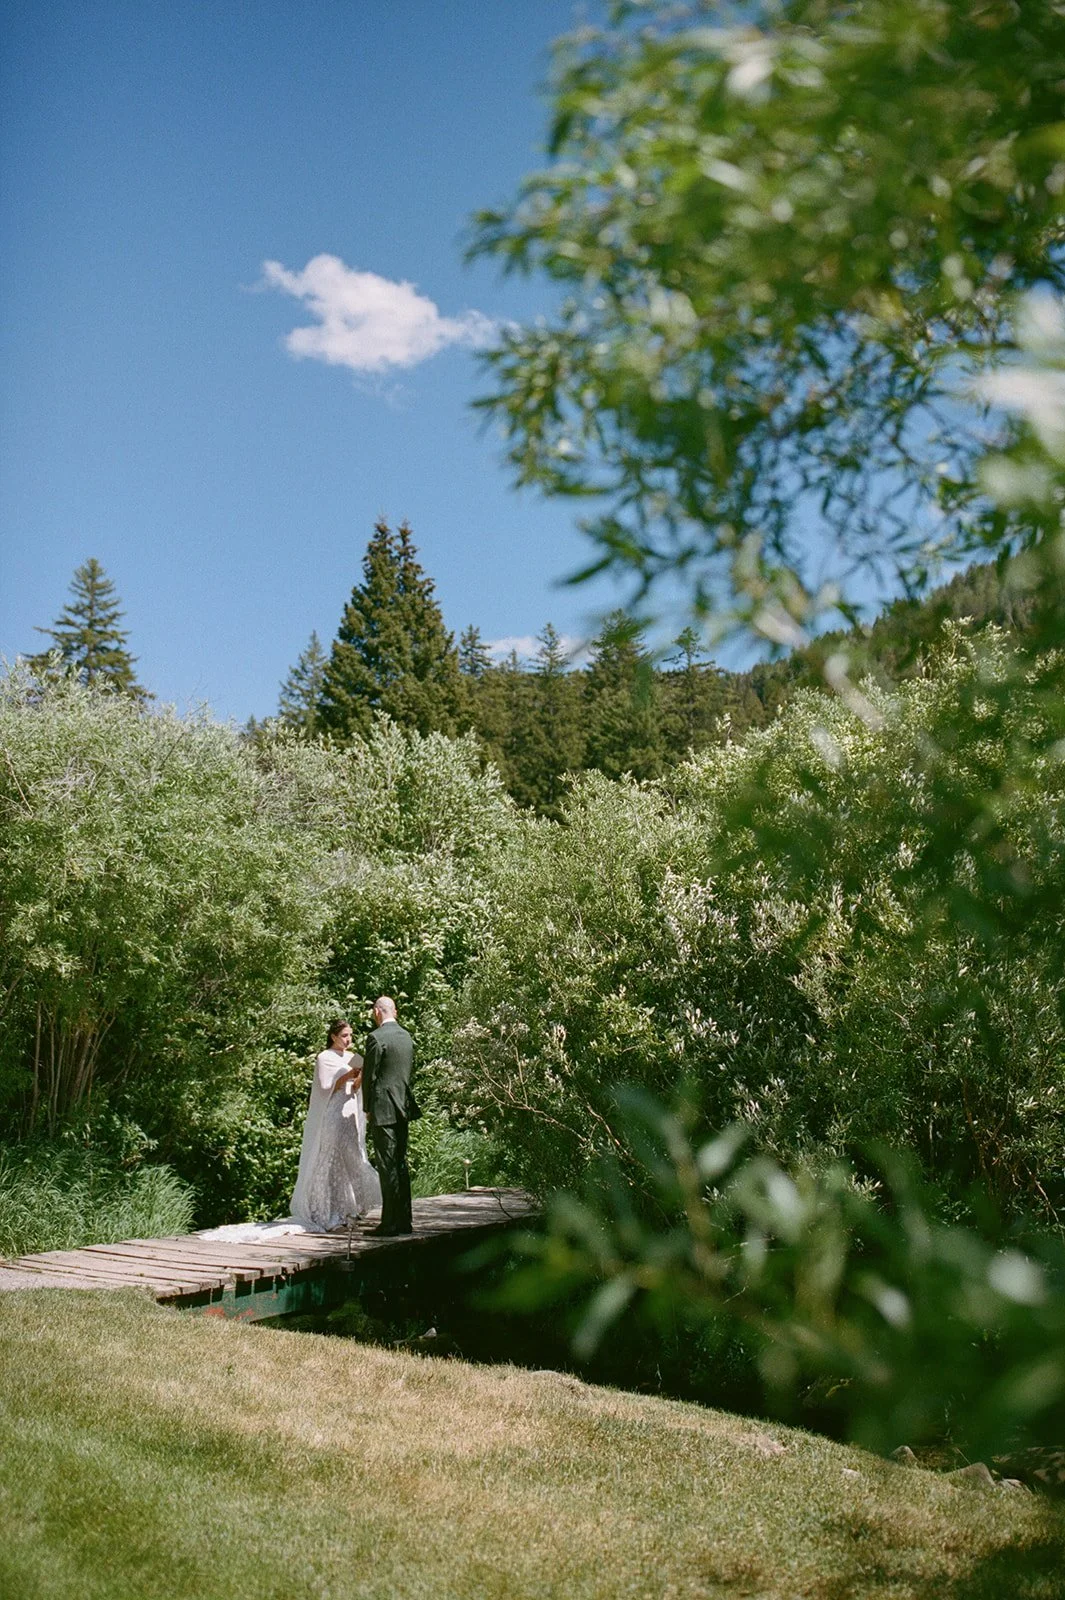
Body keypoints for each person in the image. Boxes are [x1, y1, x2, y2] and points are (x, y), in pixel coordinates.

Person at [288, 1018, 382, 1231]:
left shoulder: (351, 1056)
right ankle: (325, 1210)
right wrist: (348, 1075)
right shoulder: (324, 1057)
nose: (348, 1040)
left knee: (353, 1156)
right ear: (333, 1036)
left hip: (349, 1112)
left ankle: (352, 1208)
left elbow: (355, 1088)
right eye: (344, 1036)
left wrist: (358, 1076)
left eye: (350, 1035)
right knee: (330, 1157)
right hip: (333, 1113)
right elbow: (324, 1086)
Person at [362, 996, 420, 1236]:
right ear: (394, 1011)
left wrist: (367, 1107)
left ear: (377, 1012)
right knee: (400, 1163)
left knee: (387, 1165)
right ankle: (404, 1220)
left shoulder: (376, 1038)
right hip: (403, 1106)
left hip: (383, 1108)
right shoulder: (407, 1037)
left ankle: (389, 1224)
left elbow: (369, 1076)